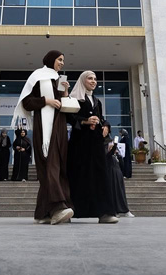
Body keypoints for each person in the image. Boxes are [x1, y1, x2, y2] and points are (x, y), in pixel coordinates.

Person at [13, 50, 74, 225]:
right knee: (50, 165)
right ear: (51, 59)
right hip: (45, 128)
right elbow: (27, 102)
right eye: (59, 59)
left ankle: (42, 213)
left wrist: (65, 92)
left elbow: (63, 105)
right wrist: (46, 100)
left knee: (58, 166)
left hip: (59, 126)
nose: (62, 63)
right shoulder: (38, 76)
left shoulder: (58, 79)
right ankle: (58, 207)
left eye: (63, 60)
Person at [67, 71, 118, 224]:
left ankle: (105, 213)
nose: (94, 81)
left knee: (100, 176)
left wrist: (106, 126)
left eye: (95, 79)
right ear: (83, 80)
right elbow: (69, 117)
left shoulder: (97, 101)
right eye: (90, 78)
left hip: (96, 144)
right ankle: (72, 211)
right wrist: (85, 121)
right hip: (80, 144)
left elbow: (101, 118)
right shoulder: (74, 99)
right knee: (78, 175)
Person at [103, 123, 133, 217]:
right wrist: (113, 149)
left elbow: (117, 154)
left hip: (115, 166)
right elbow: (106, 155)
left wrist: (115, 150)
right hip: (108, 167)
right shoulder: (101, 142)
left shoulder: (109, 140)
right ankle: (115, 210)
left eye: (107, 129)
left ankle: (124, 209)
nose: (105, 131)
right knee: (113, 190)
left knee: (120, 189)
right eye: (104, 129)